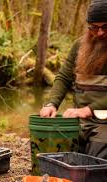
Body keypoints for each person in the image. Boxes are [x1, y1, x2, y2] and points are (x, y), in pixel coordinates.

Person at [40, 0, 107, 159]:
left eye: (105, 27)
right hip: (80, 121)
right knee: (57, 149)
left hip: (103, 123)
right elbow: (63, 77)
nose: (100, 33)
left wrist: (87, 110)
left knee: (96, 156)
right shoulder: (79, 46)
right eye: (94, 27)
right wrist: (52, 103)